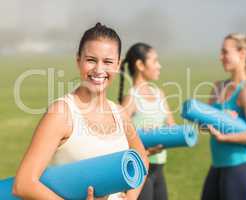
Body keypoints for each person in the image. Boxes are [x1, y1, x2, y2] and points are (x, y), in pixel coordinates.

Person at [13, 22, 149, 200]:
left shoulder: (119, 113)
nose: (99, 69)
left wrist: (130, 198)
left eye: (107, 62)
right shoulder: (61, 113)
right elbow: (23, 184)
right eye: (91, 60)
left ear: (118, 65)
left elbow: (142, 160)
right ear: (78, 61)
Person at [201, 33, 246, 200]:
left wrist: (225, 137)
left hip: (240, 167)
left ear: (242, 54)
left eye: (225, 52)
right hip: (217, 165)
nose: (220, 57)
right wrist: (209, 121)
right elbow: (204, 125)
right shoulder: (217, 87)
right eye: (220, 52)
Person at [119, 43, 175, 200]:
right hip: (140, 171)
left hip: (159, 169)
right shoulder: (131, 98)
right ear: (140, 65)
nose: (159, 66)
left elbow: (172, 128)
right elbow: (119, 138)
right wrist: (146, 149)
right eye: (155, 61)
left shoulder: (160, 94)